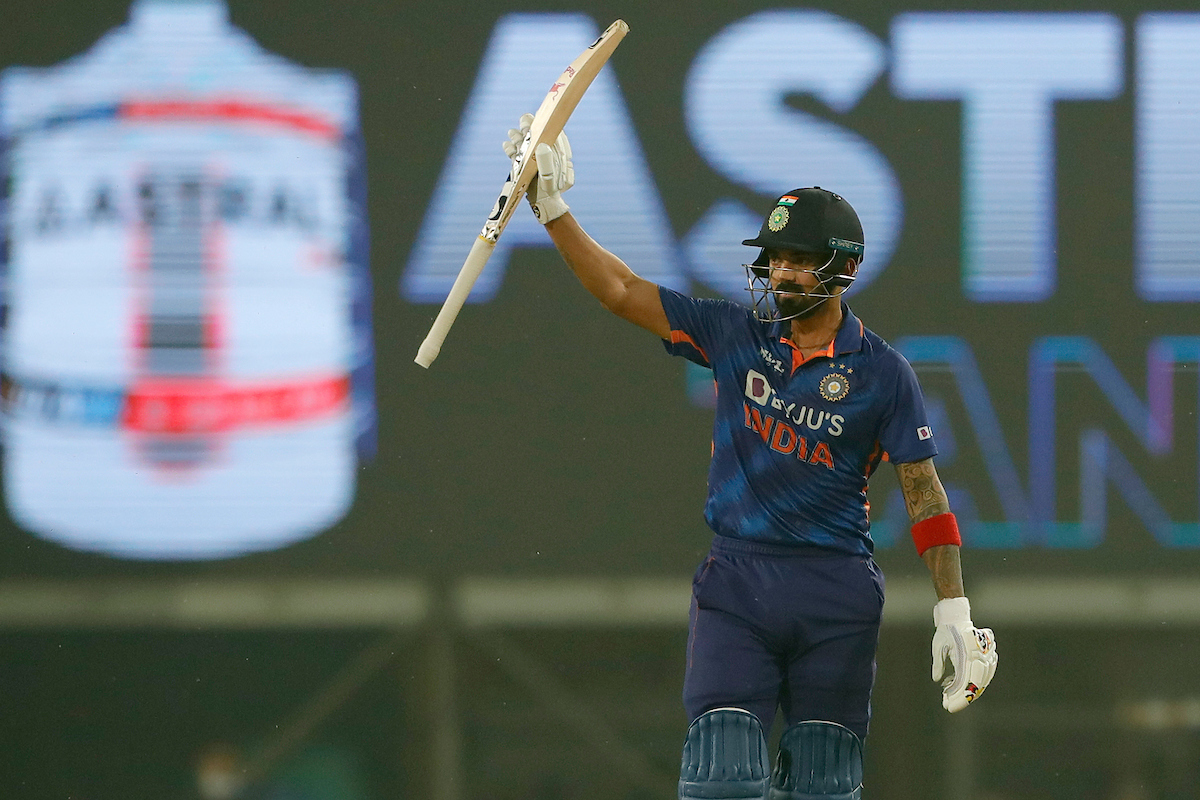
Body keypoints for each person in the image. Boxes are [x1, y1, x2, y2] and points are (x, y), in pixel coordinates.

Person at [502, 114, 998, 800]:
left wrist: (954, 610)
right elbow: (620, 290)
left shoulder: (884, 375)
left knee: (824, 786)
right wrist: (553, 209)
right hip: (738, 584)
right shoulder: (734, 333)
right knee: (722, 782)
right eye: (777, 258)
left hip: (837, 593)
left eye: (800, 258)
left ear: (846, 267)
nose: (782, 272)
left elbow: (925, 495)